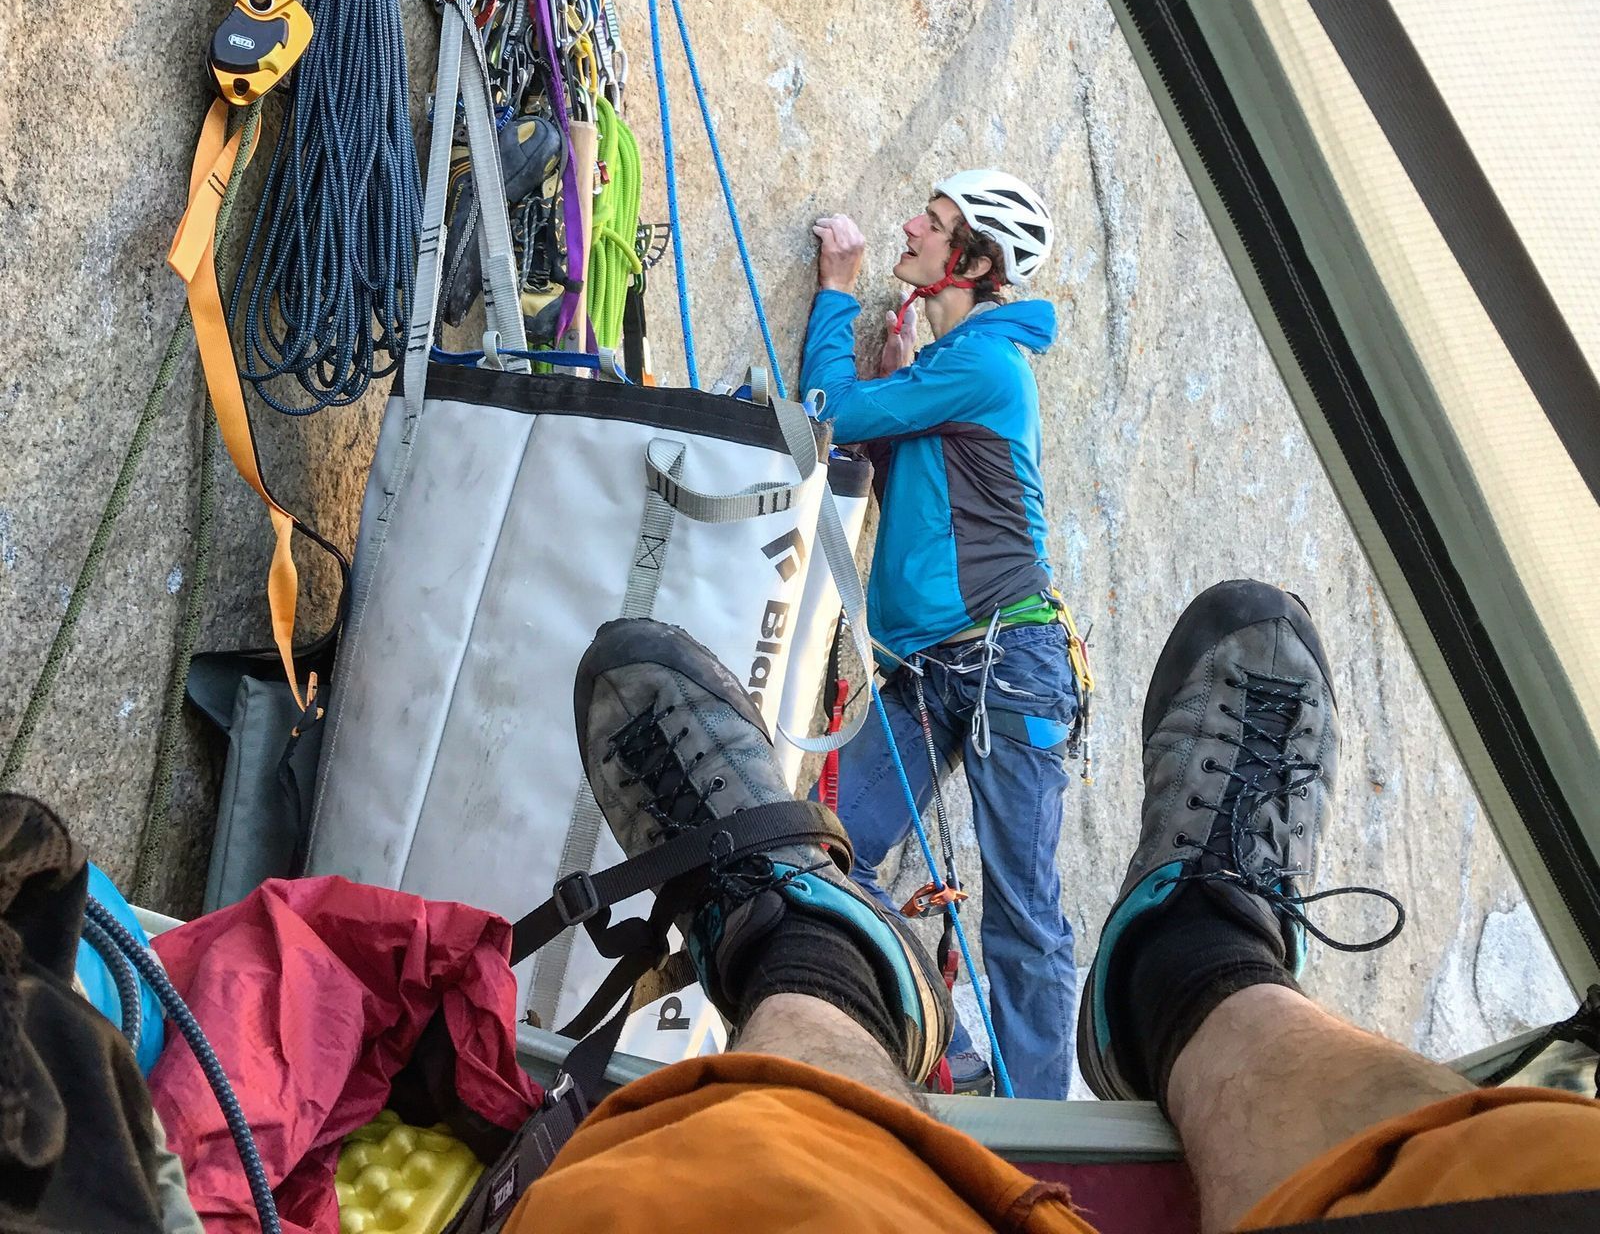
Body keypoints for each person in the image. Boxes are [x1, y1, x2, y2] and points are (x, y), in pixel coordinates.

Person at [508, 582, 1600, 1234]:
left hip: (992, 670)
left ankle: (810, 957)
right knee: (1511, 1184)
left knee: (739, 1202)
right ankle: (1195, 964)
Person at [797, 170, 1083, 1098]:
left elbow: (823, 413)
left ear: (973, 260)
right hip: (937, 669)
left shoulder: (985, 367)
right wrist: (897, 390)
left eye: (936, 220)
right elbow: (885, 460)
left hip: (1008, 663)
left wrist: (836, 292)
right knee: (833, 849)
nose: (911, 225)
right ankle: (956, 1050)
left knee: (1024, 916)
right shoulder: (948, 370)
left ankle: (1046, 1132)